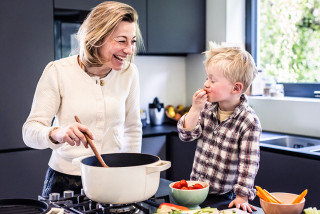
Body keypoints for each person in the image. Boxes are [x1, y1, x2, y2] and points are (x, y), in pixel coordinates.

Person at [22, 1, 143, 197]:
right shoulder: (58, 72)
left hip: (113, 179)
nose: (129, 50)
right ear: (97, 38)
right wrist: (57, 133)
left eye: (133, 41)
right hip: (65, 182)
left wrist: (131, 173)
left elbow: (132, 128)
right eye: (122, 41)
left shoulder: (130, 74)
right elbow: (29, 132)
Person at [177, 42, 261, 213]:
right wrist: (194, 109)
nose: (206, 83)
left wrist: (242, 197)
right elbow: (186, 136)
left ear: (236, 88)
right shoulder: (206, 108)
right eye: (207, 77)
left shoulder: (248, 121)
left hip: (225, 195)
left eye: (213, 80)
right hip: (196, 190)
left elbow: (248, 163)